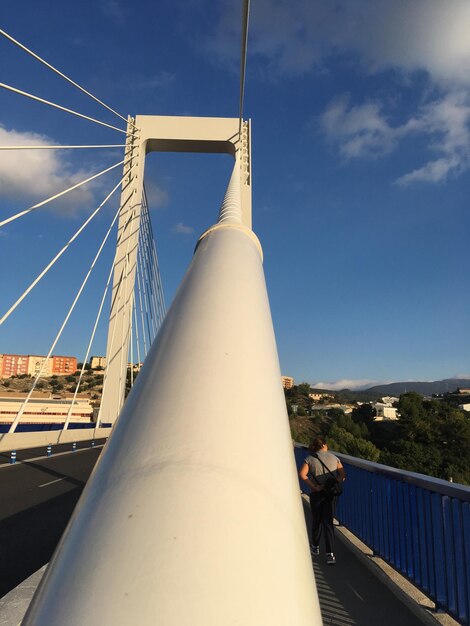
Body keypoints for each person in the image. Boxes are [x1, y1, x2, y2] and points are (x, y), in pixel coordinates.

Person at [299, 437, 345, 565]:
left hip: (317, 493)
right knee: (328, 523)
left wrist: (315, 487)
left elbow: (302, 474)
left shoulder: (309, 459)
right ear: (324, 445)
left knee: (316, 520)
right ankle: (330, 554)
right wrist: (334, 482)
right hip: (331, 494)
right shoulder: (334, 458)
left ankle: (315, 546)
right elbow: (342, 475)